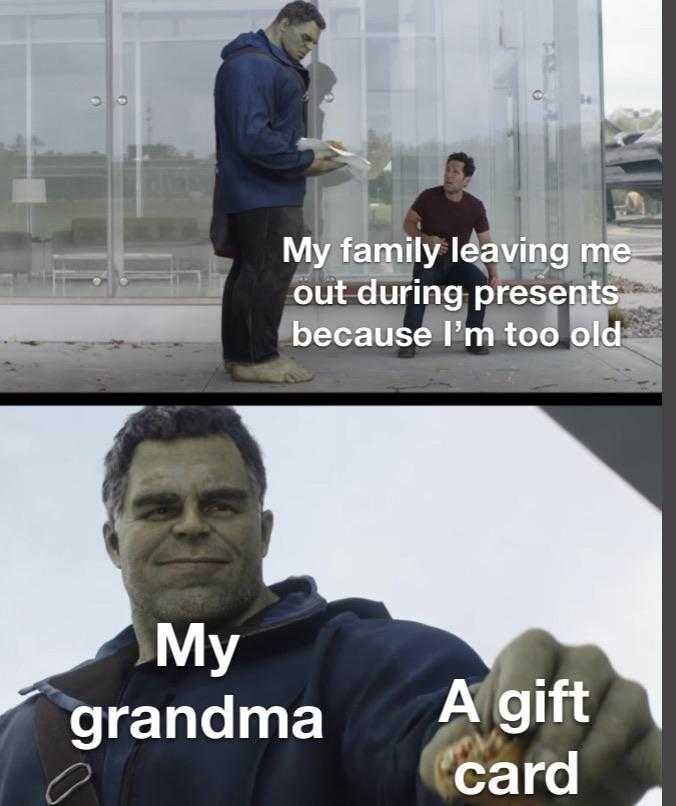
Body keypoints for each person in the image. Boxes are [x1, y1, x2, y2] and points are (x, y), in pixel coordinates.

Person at [0, 406, 662, 805]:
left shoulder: (363, 664)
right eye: (160, 508)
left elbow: (432, 738)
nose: (193, 525)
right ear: (115, 542)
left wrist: (512, 746)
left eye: (222, 503)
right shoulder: (22, 737)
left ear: (263, 532)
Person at [215, 2, 344, 384]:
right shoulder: (253, 66)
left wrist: (316, 149)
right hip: (265, 193)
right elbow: (253, 138)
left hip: (264, 190)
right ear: (283, 23)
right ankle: (257, 360)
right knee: (267, 274)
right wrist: (305, 162)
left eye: (313, 42)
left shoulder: (260, 63)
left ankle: (243, 355)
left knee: (251, 273)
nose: (307, 47)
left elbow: (269, 132)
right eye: (304, 37)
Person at [398, 153, 499, 359]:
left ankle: (473, 339)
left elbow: (486, 242)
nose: (449, 176)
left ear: (466, 180)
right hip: (429, 262)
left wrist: (493, 274)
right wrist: (427, 239)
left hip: (456, 264)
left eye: (455, 172)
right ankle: (408, 342)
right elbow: (408, 224)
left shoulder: (475, 206)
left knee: (479, 282)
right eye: (447, 170)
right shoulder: (428, 197)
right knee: (420, 283)